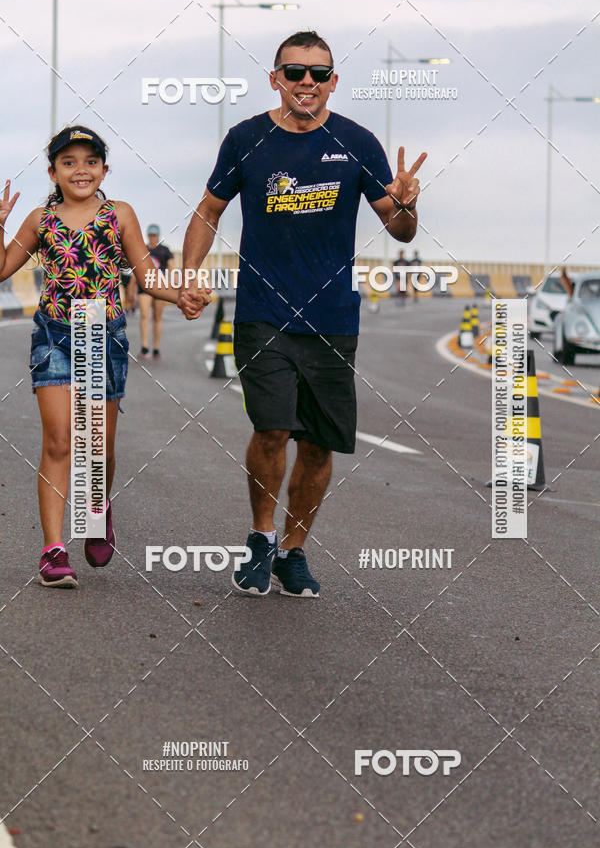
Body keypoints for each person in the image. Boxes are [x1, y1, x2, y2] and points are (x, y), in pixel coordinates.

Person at [180, 30, 425, 598]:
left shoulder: (357, 142)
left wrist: (409, 203)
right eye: (294, 73)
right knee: (272, 428)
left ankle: (294, 551)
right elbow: (208, 209)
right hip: (263, 312)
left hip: (334, 318)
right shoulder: (246, 139)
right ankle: (261, 538)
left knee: (318, 443)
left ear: (333, 81)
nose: (306, 83)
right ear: (276, 79)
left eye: (318, 74)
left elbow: (398, 226)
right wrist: (190, 274)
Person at [0, 126, 198, 588]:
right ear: (53, 172)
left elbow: (147, 278)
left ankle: (96, 511)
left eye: (90, 161)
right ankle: (53, 550)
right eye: (68, 162)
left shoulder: (120, 214)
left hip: (103, 337)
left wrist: (182, 296)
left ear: (104, 169)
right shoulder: (39, 220)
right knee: (59, 440)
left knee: (98, 448)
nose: (80, 170)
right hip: (53, 336)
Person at [138, 224, 174, 359]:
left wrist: (173, 283)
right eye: (151, 235)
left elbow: (171, 267)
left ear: (158, 236)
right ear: (148, 235)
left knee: (157, 318)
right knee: (144, 314)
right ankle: (145, 346)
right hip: (144, 285)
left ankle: (156, 347)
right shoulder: (143, 250)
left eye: (155, 235)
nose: (153, 237)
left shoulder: (165, 250)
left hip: (160, 286)